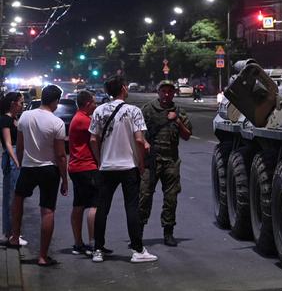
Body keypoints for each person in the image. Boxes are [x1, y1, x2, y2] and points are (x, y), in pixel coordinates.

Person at [89, 76, 157, 263]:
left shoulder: (99, 110)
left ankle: (97, 250)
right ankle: (137, 250)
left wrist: (100, 160)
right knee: (131, 208)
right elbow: (139, 140)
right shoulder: (133, 111)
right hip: (128, 166)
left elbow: (93, 140)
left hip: (106, 167)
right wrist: (141, 163)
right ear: (124, 89)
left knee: (102, 208)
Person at [9, 85, 68, 267]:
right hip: (49, 169)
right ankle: (43, 256)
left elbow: (19, 146)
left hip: (28, 167)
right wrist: (64, 179)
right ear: (55, 101)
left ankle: (15, 237)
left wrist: (20, 163)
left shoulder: (25, 116)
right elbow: (60, 155)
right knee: (48, 210)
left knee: (18, 200)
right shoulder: (56, 123)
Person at [140, 80, 192, 247]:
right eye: (164, 91)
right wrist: (143, 147)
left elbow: (187, 135)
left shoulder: (178, 111)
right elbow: (136, 131)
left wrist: (177, 121)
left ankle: (168, 231)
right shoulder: (148, 109)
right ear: (158, 92)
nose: (167, 94)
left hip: (170, 160)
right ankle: (138, 232)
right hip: (151, 160)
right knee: (144, 196)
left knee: (171, 198)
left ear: (174, 93)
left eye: (170, 91)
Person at [68, 90, 105, 256]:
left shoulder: (77, 118)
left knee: (78, 205)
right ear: (87, 103)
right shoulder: (84, 120)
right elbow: (98, 135)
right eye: (94, 103)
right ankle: (93, 243)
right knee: (94, 205)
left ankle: (78, 243)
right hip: (87, 167)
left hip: (76, 167)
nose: (96, 105)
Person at [1, 92, 28, 246]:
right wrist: (16, 161)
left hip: (16, 157)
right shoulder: (5, 120)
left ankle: (11, 233)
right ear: (13, 103)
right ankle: (12, 234)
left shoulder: (14, 119)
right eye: (20, 102)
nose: (22, 105)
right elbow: (8, 144)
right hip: (12, 159)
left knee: (14, 197)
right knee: (13, 197)